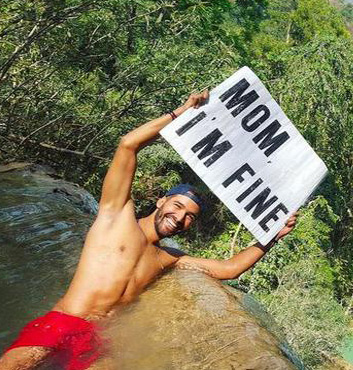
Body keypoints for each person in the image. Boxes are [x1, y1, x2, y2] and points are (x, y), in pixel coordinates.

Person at [0, 92, 299, 370]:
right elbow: (128, 144)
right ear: (161, 201)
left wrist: (272, 235)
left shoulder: (168, 258)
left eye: (189, 217)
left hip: (95, 340)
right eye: (177, 206)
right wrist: (179, 114)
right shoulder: (115, 215)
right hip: (64, 322)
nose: (180, 217)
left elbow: (229, 269)